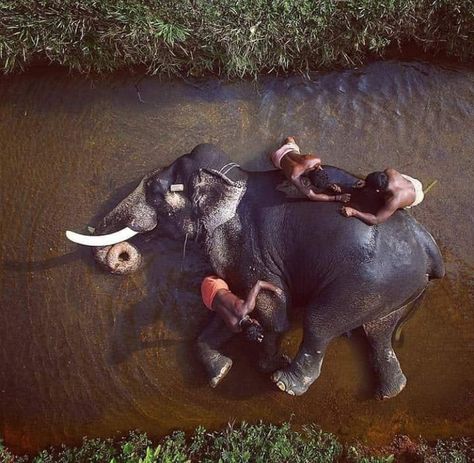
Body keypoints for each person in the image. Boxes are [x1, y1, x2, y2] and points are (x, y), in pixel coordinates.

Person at [201, 276, 283, 342]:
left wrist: (275, 289)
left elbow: (259, 284)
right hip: (208, 301)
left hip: (213, 284)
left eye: (258, 323)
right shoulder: (234, 329)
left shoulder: (247, 307)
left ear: (252, 321)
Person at [270, 136, 350, 203]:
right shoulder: (294, 177)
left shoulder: (315, 160)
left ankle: (288, 139)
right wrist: (337, 198)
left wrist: (329, 184)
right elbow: (312, 196)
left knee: (290, 139)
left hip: (289, 149)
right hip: (277, 159)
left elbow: (319, 169)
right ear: (308, 180)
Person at [341, 169, 424, 225]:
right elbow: (378, 177)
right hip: (409, 181)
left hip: (416, 195)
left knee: (389, 207)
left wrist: (354, 212)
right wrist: (366, 183)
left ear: (378, 191)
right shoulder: (389, 171)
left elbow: (376, 219)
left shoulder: (394, 200)